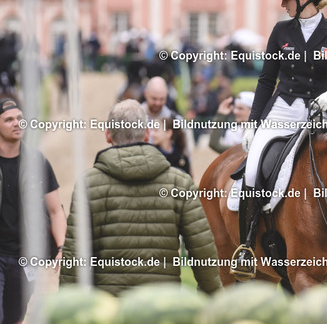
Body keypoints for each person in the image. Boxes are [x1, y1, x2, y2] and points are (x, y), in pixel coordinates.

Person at [232, 0, 327, 278]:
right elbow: (266, 80)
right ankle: (247, 244)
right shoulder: (280, 31)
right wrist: (253, 123)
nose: (282, 3)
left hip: (317, 113)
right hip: (281, 112)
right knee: (252, 169)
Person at [60, 99, 222, 295]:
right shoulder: (180, 182)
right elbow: (202, 248)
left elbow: (75, 254)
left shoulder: (88, 184)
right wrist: (211, 295)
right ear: (147, 134)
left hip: (110, 304)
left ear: (108, 135)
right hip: (163, 303)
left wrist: (67, 303)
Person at [0, 98, 66, 323]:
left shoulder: (37, 161)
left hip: (26, 257)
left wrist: (61, 247)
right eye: (9, 119)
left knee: (14, 318)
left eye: (20, 118)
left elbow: (56, 211)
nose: (16, 123)